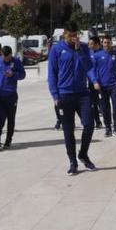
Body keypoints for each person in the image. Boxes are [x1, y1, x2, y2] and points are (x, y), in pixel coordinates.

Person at [48, 22, 98, 175]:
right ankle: (73, 161)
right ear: (64, 34)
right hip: (65, 95)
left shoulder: (83, 48)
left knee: (89, 124)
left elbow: (89, 66)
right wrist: (55, 95)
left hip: (82, 93)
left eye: (75, 35)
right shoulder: (56, 50)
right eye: (70, 35)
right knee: (68, 131)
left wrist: (79, 52)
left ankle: (83, 154)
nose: (73, 38)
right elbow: (52, 73)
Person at [0, 46, 25, 150]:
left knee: (11, 119)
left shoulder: (16, 61)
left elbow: (23, 75)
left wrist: (13, 74)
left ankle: (8, 140)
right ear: (1, 54)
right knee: (0, 118)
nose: (7, 60)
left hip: (11, 95)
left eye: (8, 57)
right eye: (5, 58)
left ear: (11, 54)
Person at [93, 34, 116, 138]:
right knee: (104, 108)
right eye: (104, 42)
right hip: (102, 87)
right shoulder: (97, 56)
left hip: (114, 86)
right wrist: (95, 82)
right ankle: (108, 128)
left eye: (108, 42)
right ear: (102, 44)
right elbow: (91, 70)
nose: (106, 44)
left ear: (111, 43)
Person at [88, 36, 104, 128]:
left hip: (103, 82)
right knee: (93, 103)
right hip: (92, 82)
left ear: (97, 44)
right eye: (89, 44)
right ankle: (97, 122)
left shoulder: (103, 52)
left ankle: (107, 121)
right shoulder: (88, 53)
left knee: (103, 102)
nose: (89, 46)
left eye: (91, 44)